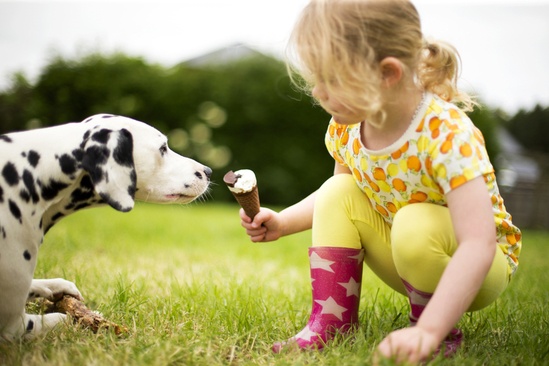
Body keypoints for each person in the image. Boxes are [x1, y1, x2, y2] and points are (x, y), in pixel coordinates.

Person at [238, 0, 522, 363]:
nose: (317, 92)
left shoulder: (445, 133)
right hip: (408, 256)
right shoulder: (347, 126)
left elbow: (478, 245)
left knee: (414, 221)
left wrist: (428, 330)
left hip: (477, 267)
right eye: (316, 78)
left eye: (331, 80)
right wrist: (283, 222)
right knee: (339, 188)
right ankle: (331, 322)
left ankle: (434, 330)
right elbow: (337, 201)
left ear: (387, 73)